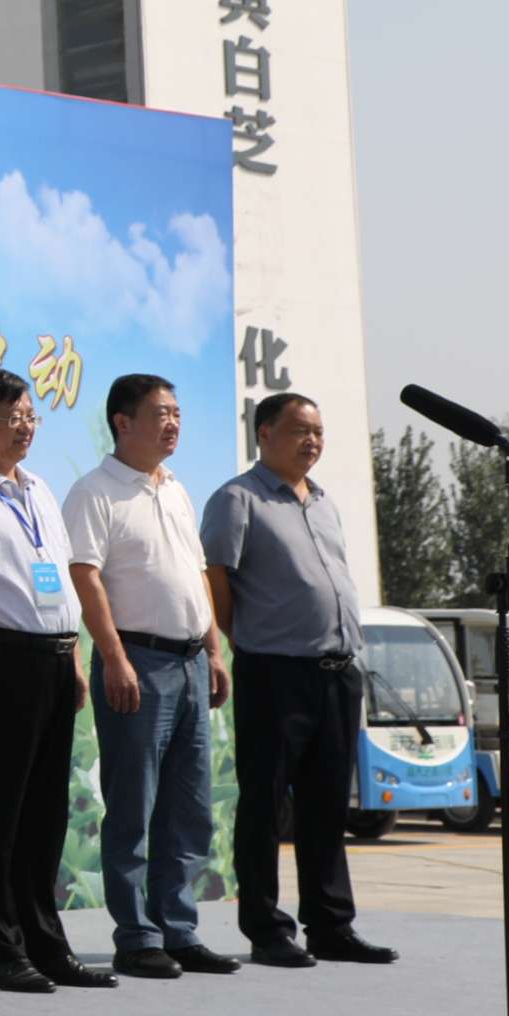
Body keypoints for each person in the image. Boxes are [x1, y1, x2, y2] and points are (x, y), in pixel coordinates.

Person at [203, 393, 400, 970]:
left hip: (338, 674)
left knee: (326, 806)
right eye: (298, 430)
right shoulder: (237, 499)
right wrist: (252, 640)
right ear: (264, 433)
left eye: (318, 431)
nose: (311, 441)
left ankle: (331, 925)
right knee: (266, 805)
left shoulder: (325, 502)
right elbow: (217, 582)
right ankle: (266, 929)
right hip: (275, 671)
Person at [0, 368, 108, 993]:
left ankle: (47, 942)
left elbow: (58, 581)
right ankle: (2, 949)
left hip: (57, 659)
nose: (26, 426)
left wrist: (78, 658)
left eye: (31, 415)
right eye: (13, 417)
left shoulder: (38, 487)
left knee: (46, 812)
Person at [63, 374, 238, 980]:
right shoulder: (95, 492)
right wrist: (112, 657)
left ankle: (179, 929)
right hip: (138, 662)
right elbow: (85, 578)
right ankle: (136, 935)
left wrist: (214, 653)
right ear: (122, 422)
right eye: (160, 413)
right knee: (134, 806)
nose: (173, 423)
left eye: (178, 412)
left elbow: (194, 577)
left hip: (191, 662)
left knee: (189, 808)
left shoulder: (177, 491)